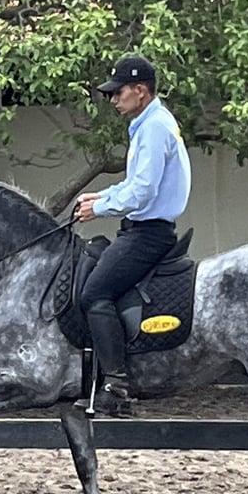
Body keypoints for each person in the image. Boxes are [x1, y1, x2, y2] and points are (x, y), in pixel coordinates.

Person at [73, 54, 192, 415]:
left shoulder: (154, 128)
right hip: (145, 227)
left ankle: (116, 384)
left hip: (148, 233)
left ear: (140, 91)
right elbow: (134, 183)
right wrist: (103, 195)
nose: (113, 99)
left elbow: (142, 192)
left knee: (95, 293)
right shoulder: (150, 123)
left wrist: (100, 209)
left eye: (118, 92)